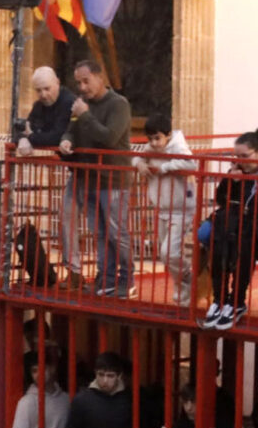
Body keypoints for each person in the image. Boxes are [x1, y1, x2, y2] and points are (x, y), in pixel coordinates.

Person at [202, 129, 258, 331]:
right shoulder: (239, 171)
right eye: (237, 157)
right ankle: (220, 298)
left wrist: (247, 184)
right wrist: (233, 181)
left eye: (245, 156)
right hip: (236, 223)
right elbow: (222, 198)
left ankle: (237, 299)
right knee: (216, 234)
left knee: (241, 238)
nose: (241, 161)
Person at [62, 58, 133, 296]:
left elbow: (109, 137)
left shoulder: (118, 104)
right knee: (100, 233)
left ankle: (127, 279)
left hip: (113, 180)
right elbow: (72, 128)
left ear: (99, 77)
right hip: (89, 179)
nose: (82, 87)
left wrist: (84, 116)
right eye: (78, 83)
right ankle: (106, 278)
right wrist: (67, 140)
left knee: (117, 232)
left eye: (86, 81)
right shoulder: (81, 105)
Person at [141, 115, 195, 293]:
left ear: (169, 134)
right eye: (151, 139)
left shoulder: (179, 146)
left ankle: (187, 278)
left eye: (158, 138)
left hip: (181, 208)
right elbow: (138, 155)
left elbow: (191, 164)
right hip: (163, 207)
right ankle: (183, 286)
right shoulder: (150, 147)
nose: (154, 143)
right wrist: (139, 163)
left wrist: (165, 167)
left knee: (169, 253)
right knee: (167, 255)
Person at [15, 65, 72, 155]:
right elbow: (26, 127)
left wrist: (31, 137)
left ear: (57, 82)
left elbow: (57, 137)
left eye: (47, 89)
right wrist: (22, 139)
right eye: (38, 90)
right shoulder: (39, 105)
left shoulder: (68, 102)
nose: (43, 95)